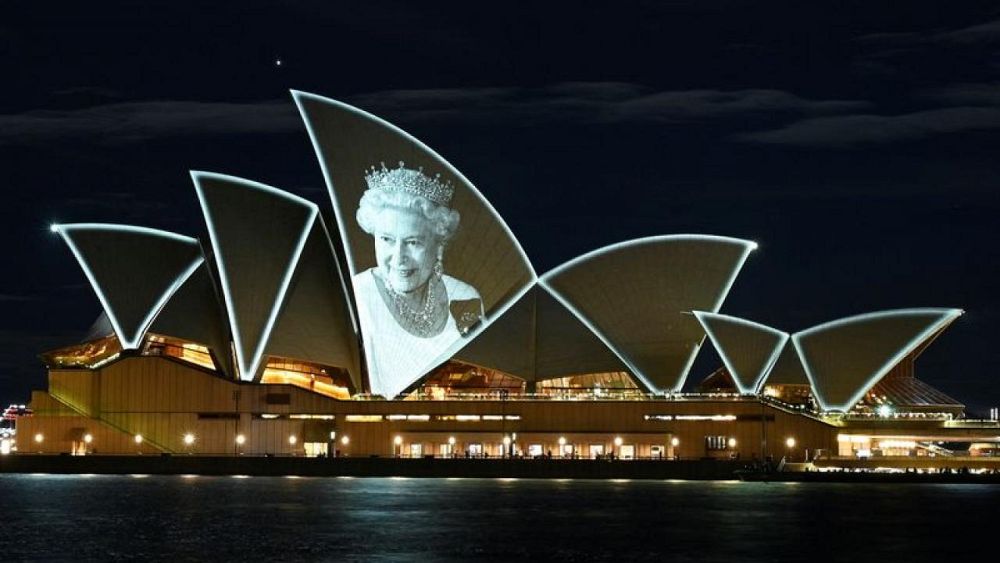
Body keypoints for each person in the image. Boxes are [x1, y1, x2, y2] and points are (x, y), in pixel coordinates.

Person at [354, 162, 484, 398]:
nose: (398, 258)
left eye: (413, 242)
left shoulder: (465, 295)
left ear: (439, 245)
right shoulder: (358, 295)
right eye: (386, 239)